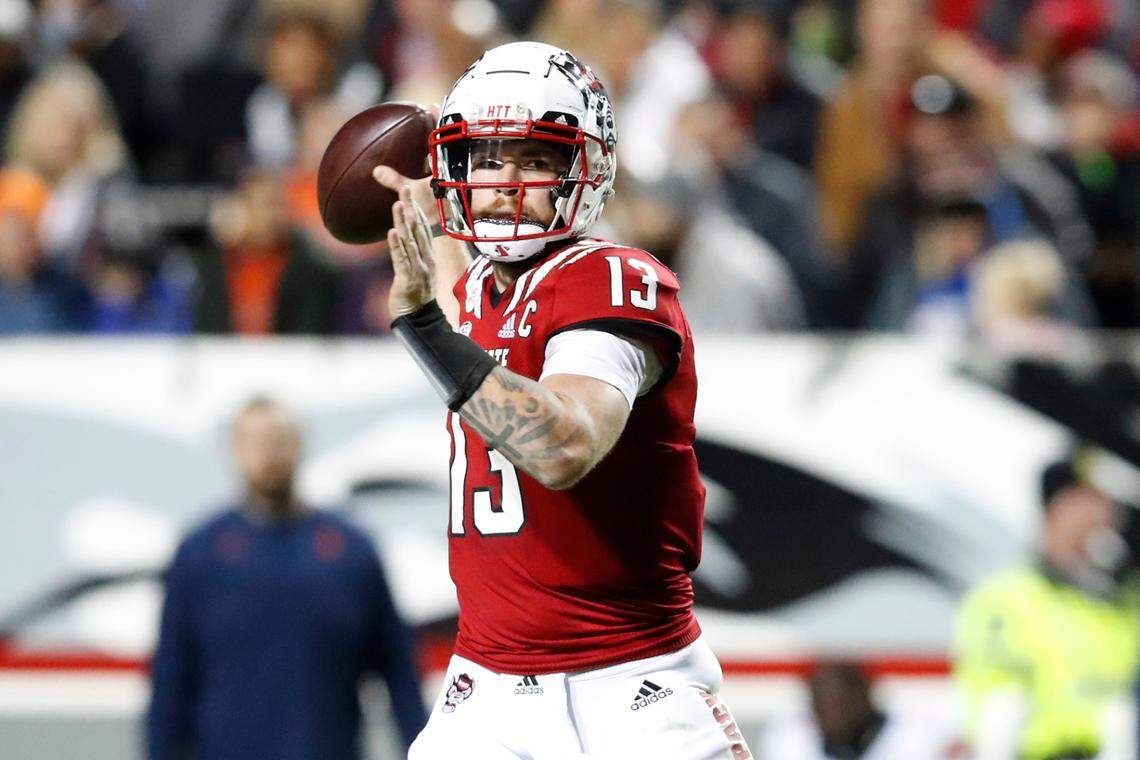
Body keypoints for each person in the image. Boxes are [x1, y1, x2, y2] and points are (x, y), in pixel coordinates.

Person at [373, 41, 752, 758]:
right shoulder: (476, 290)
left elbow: (564, 446)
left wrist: (421, 326)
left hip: (635, 691)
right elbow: (462, 303)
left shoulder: (610, 279)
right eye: (486, 158)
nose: (506, 181)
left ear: (585, 169)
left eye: (535, 157)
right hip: (483, 693)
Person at [146, 396, 427, 760]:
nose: (270, 452)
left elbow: (399, 673)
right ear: (234, 449)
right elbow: (170, 681)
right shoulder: (200, 554)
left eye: (280, 438)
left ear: (301, 444)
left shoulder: (351, 552)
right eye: (257, 441)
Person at [955, 458, 1140, 760]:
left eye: (1109, 507)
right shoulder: (1007, 598)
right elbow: (998, 705)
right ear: (1058, 508)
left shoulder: (1127, 600)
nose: (1106, 519)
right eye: (1091, 502)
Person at [758, 661, 960, 759]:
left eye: (838, 702)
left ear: (865, 694)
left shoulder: (916, 742)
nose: (831, 712)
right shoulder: (789, 744)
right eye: (821, 702)